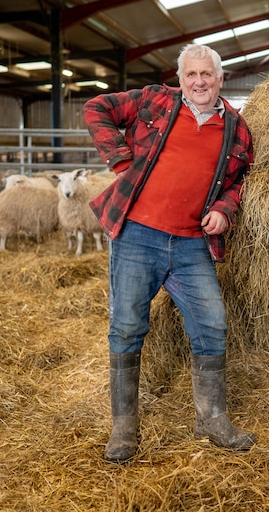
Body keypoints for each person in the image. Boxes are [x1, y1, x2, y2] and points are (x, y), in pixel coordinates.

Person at [83, 43, 256, 463]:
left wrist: (223, 209)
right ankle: (124, 428)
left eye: (207, 75)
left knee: (212, 324)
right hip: (137, 236)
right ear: (181, 79)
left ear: (220, 79)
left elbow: (239, 180)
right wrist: (121, 158)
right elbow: (96, 108)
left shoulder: (237, 127)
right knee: (126, 327)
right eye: (192, 75)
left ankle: (212, 419)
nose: (199, 82)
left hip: (192, 243)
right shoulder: (155, 100)